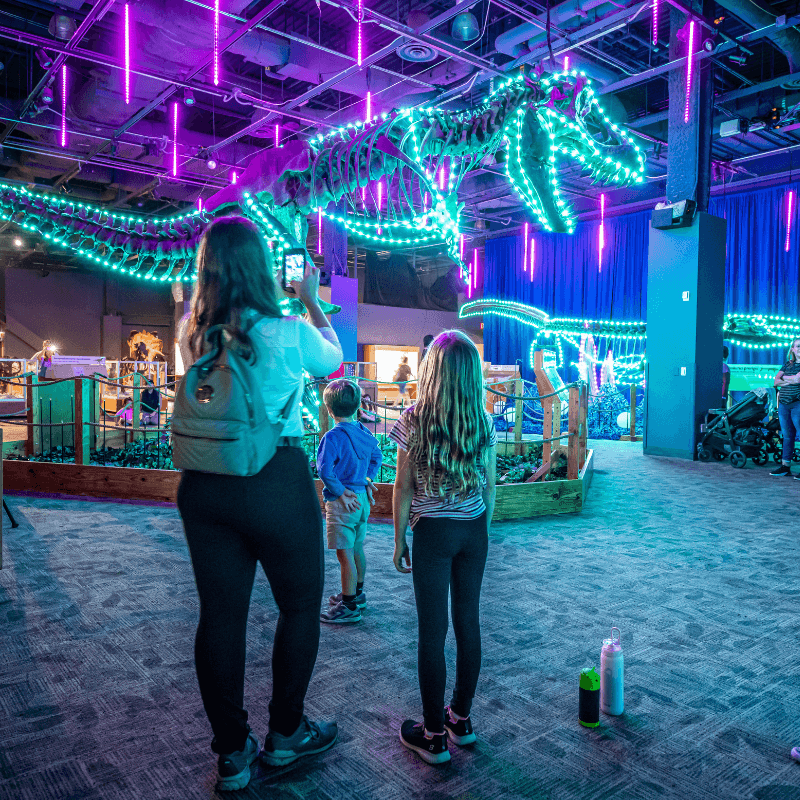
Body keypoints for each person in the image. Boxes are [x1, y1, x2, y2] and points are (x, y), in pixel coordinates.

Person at [176, 216, 342, 791]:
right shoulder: (288, 328)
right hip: (276, 477)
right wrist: (312, 299)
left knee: (220, 617)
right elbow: (333, 361)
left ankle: (231, 753)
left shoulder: (191, 332)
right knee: (300, 607)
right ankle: (285, 734)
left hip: (203, 484)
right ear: (262, 266)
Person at [389, 330, 497, 765]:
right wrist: (480, 531)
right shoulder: (483, 419)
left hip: (432, 533)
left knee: (432, 633)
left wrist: (399, 539)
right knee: (468, 624)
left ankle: (433, 734)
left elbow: (402, 487)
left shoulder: (414, 418)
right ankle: (462, 720)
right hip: (473, 530)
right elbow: (490, 486)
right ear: (472, 375)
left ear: (429, 370)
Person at [317, 378, 383, 624]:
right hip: (363, 500)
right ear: (358, 407)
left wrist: (341, 491)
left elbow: (325, 471)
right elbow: (376, 456)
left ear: (329, 409)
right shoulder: (364, 432)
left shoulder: (332, 437)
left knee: (344, 555)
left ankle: (348, 605)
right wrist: (367, 478)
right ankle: (357, 594)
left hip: (343, 503)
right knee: (357, 549)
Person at [771, 337, 800, 478]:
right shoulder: (787, 365)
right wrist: (792, 379)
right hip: (783, 404)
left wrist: (785, 380)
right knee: (787, 436)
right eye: (798, 346)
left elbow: (798, 379)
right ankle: (785, 467)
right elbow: (775, 381)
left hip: (798, 403)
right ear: (793, 349)